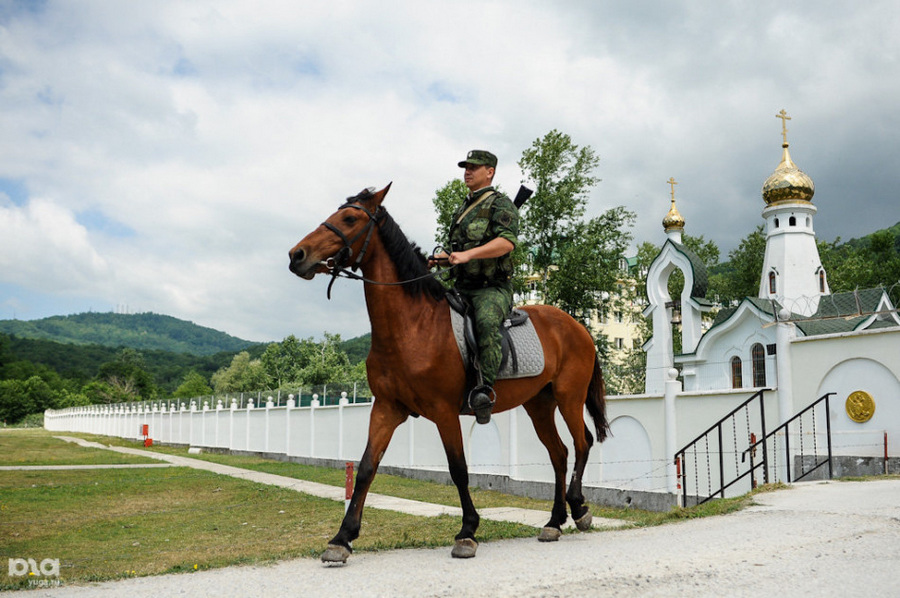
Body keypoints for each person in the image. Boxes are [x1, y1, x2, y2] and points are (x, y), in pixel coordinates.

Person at [433, 150, 519, 424]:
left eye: (474, 167)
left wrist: (469, 255)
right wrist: (441, 258)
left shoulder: (500, 204)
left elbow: (506, 243)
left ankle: (485, 389)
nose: (467, 172)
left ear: (489, 171)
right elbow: (459, 250)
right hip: (462, 286)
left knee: (486, 322)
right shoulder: (463, 209)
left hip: (491, 288)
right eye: (466, 167)